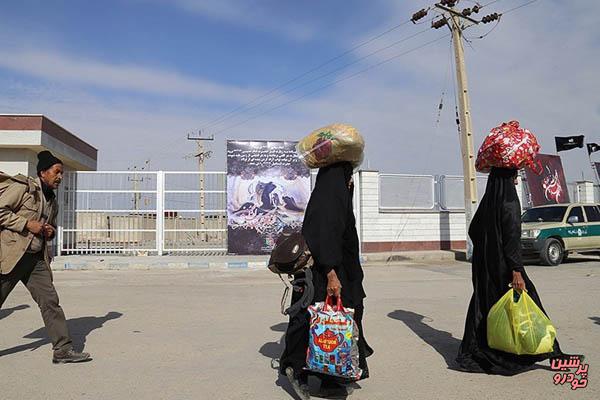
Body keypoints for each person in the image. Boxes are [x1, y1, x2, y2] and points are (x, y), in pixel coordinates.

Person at [456, 167, 565, 375]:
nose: (516, 182)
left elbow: (474, 230)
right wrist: (516, 270)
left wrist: (487, 250)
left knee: (484, 306)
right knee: (530, 303)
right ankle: (552, 354)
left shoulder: (488, 202)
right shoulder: (510, 202)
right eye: (514, 176)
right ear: (508, 178)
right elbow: (512, 239)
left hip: (486, 268)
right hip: (507, 267)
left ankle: (477, 350)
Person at [279, 162, 373, 399]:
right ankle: (313, 374)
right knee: (324, 321)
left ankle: (323, 374)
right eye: (347, 174)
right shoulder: (330, 199)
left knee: (319, 320)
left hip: (337, 270)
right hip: (328, 272)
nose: (349, 180)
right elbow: (324, 236)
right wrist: (331, 273)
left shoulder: (329, 195)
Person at [0, 150, 91, 364]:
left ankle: (63, 350)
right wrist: (26, 224)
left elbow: (52, 226)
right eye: (56, 172)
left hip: (35, 260)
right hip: (11, 256)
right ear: (43, 172)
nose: (60, 177)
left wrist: (50, 231)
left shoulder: (52, 201)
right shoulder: (23, 188)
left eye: (62, 174)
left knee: (51, 302)